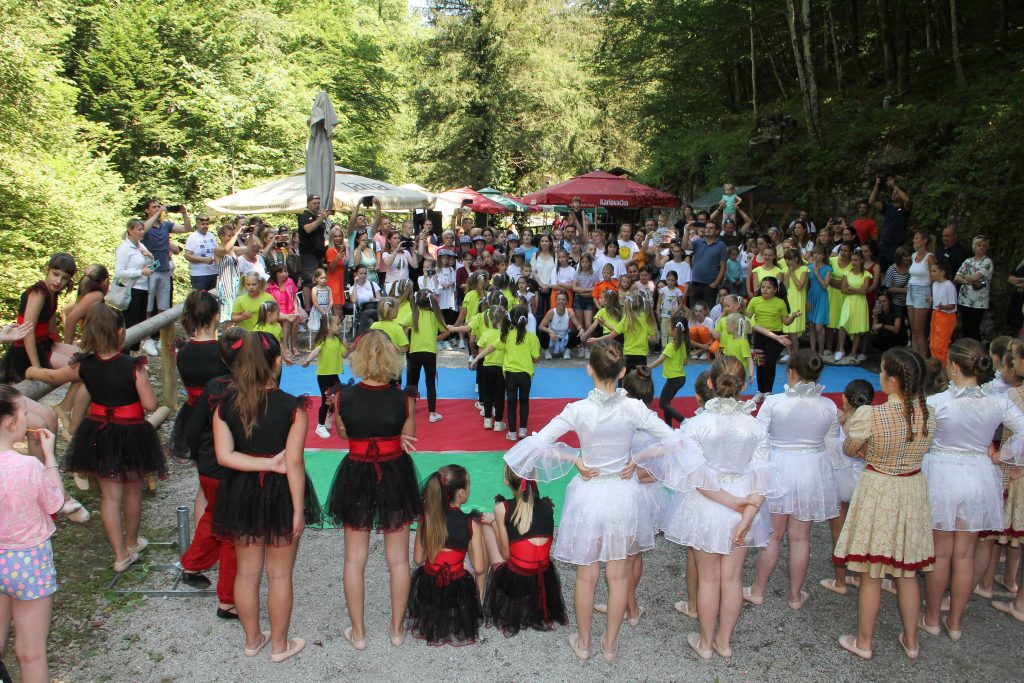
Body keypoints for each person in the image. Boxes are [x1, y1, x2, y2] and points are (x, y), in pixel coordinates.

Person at [504, 340, 695, 661]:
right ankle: (609, 644)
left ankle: (584, 642)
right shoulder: (633, 408)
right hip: (623, 493)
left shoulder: (578, 410)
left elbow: (536, 444)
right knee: (618, 575)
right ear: (622, 371)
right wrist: (640, 458)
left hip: (590, 494)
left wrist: (574, 458)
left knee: (587, 574)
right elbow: (676, 440)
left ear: (589, 369)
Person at [26, 305, 165, 573]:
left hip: (99, 432)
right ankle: (132, 542)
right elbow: (150, 404)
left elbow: (54, 376)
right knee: (132, 489)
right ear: (121, 332)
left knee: (110, 497)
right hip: (131, 432)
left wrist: (32, 372)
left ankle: (119, 555)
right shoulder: (134, 367)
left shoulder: (83, 365)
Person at [661, 356, 779, 659]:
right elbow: (762, 477)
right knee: (733, 577)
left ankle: (705, 642)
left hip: (707, 504)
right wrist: (747, 515)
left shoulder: (696, 425)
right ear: (742, 385)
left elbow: (696, 476)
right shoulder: (755, 426)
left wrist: (736, 504)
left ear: (711, 384)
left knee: (709, 578)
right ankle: (724, 642)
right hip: (743, 504)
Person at [211, 332, 316, 664]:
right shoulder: (293, 408)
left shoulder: (225, 405)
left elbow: (224, 456)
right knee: (280, 574)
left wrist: (260, 463)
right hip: (281, 493)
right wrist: (298, 509)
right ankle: (279, 646)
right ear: (275, 363)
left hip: (241, 493)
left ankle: (253, 639)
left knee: (246, 572)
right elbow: (294, 463)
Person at [832, 347, 935, 660]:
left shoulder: (871, 414)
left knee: (871, 571)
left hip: (879, 486)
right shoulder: (928, 412)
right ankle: (912, 640)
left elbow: (850, 448)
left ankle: (864, 641)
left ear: (891, 380)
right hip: (912, 486)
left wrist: (868, 453)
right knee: (905, 571)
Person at [919, 339, 1024, 641]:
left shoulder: (937, 403)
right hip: (979, 474)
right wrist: (1004, 456)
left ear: (953, 366)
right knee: (964, 555)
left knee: (940, 554)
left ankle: (931, 617)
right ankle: (955, 623)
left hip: (942, 474)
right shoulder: (997, 401)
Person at [325, 330, 422, 650]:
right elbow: (409, 437)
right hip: (395, 472)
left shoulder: (343, 397)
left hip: (357, 472)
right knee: (398, 560)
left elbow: (342, 434)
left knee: (354, 559)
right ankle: (396, 631)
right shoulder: (404, 397)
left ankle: (359, 633)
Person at [746, 350, 841, 610]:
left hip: (778, 469)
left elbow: (757, 439)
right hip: (811, 471)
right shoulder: (829, 406)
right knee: (801, 538)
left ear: (790, 373)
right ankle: (795, 596)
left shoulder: (775, 403)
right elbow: (834, 446)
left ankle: (757, 589)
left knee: (773, 536)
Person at [177, 327, 244, 616]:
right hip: (229, 468)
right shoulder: (245, 390)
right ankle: (227, 600)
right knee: (233, 533)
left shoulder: (213, 386)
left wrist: (197, 456)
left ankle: (191, 564)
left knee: (212, 517)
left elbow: (195, 426)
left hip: (208, 464)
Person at [0, 386, 65, 683]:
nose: (28, 418)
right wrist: (49, 458)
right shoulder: (28, 466)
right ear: (10, 424)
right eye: (24, 413)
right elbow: (55, 502)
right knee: (31, 652)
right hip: (28, 561)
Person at [406, 466, 488, 645]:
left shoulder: (426, 519)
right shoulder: (470, 523)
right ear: (460, 493)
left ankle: (432, 615)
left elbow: (418, 559)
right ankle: (476, 608)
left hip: (429, 585)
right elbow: (480, 568)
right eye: (468, 486)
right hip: (458, 586)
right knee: (472, 566)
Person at [483, 464, 566, 635]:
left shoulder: (502, 509)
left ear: (507, 481)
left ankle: (482, 589)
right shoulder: (547, 507)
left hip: (516, 578)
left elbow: (506, 556)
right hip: (543, 577)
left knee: (486, 526)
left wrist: (494, 522)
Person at [821, 379, 875, 596]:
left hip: (839, 479)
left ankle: (840, 579)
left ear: (844, 398)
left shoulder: (837, 420)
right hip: (863, 479)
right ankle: (861, 575)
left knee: (839, 530)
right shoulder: (873, 422)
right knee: (862, 530)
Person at [172, 292, 227, 462]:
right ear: (217, 316)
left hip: (193, 414)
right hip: (221, 414)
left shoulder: (183, 352)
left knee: (203, 465)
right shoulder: (224, 352)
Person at [991, 338, 1024, 619]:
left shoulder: (1013, 397)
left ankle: (1019, 602)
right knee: (1016, 533)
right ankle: (1010, 579)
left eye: (1015, 359)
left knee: (1006, 526)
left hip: (1014, 469)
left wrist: (1002, 456)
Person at [141, 200, 190, 356]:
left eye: (158, 206)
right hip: (150, 269)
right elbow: (143, 230)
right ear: (147, 210)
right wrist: (157, 213)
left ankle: (163, 338)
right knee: (148, 306)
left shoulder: (166, 225)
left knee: (164, 305)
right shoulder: (144, 225)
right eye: (154, 207)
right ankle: (147, 338)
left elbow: (186, 229)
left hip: (164, 268)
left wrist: (184, 213)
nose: (158, 209)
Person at [490, 305, 540, 441]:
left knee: (511, 403)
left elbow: (493, 347)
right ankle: (523, 430)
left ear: (511, 320)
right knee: (524, 401)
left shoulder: (506, 336)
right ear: (526, 321)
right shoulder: (532, 338)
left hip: (510, 374)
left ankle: (512, 433)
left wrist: (477, 358)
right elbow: (536, 357)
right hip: (525, 374)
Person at [747, 277, 801, 403]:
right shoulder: (754, 301)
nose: (765, 289)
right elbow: (747, 317)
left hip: (776, 337)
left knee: (770, 363)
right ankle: (760, 391)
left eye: (769, 287)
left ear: (775, 290)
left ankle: (768, 392)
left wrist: (792, 317)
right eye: (763, 287)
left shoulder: (780, 303)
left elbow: (786, 322)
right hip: (759, 336)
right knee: (760, 363)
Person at [588, 292, 658, 375]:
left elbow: (611, 335)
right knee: (641, 378)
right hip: (642, 355)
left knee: (623, 379)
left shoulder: (626, 319)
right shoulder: (647, 318)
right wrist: (645, 335)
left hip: (628, 354)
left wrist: (596, 339)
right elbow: (654, 340)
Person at [301, 314, 347, 439]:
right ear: (329, 327)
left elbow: (345, 355)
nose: (340, 326)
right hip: (323, 376)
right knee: (326, 400)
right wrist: (308, 360)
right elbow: (316, 351)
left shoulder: (337, 340)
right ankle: (320, 426)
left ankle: (328, 416)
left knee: (339, 398)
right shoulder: (323, 340)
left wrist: (348, 346)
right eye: (338, 324)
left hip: (334, 375)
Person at [407, 292, 449, 424]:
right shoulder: (434, 316)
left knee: (412, 382)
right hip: (430, 352)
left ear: (417, 302)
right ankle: (432, 413)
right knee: (430, 382)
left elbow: (399, 325)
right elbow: (447, 331)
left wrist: (406, 336)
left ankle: (409, 410)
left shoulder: (413, 314)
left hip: (414, 352)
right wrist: (434, 338)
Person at [113, 221, 155, 353]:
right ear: (130, 231)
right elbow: (119, 272)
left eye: (143, 229)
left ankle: (134, 356)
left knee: (140, 323)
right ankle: (124, 354)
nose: (142, 232)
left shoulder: (141, 246)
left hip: (143, 288)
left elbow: (147, 264)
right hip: (131, 289)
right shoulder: (124, 248)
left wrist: (151, 258)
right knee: (130, 324)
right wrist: (140, 272)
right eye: (139, 229)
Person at [470, 304, 508, 433]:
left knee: (487, 394)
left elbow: (480, 349)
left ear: (492, 319)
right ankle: (498, 422)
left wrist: (477, 358)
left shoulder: (486, 333)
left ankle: (487, 420)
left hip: (487, 367)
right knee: (500, 395)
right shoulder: (506, 334)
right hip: (501, 368)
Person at [648, 312, 688, 427]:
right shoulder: (682, 344)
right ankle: (668, 426)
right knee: (666, 403)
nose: (667, 328)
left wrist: (647, 368)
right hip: (680, 378)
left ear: (675, 330)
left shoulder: (671, 346)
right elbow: (685, 362)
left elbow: (660, 360)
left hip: (674, 379)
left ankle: (683, 421)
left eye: (669, 326)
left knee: (663, 403)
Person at [953, 235, 993, 342]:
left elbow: (977, 277)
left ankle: (978, 351)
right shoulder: (967, 261)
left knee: (974, 328)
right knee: (965, 327)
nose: (981, 248)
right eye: (979, 245)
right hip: (964, 299)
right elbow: (956, 277)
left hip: (978, 301)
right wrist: (970, 280)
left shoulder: (987, 262)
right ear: (974, 246)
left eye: (984, 246)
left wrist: (965, 278)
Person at [868, 176, 911, 272]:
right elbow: (872, 201)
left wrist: (894, 186)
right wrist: (876, 186)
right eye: (893, 192)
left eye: (897, 193)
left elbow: (907, 200)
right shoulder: (887, 207)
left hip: (896, 246)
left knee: (894, 271)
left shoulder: (905, 209)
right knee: (879, 270)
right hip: (883, 244)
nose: (894, 193)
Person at [837, 248, 872, 364]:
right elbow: (843, 289)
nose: (853, 262)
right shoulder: (847, 273)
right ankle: (841, 350)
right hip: (848, 301)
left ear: (861, 261)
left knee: (857, 328)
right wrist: (857, 290)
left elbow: (864, 291)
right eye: (852, 260)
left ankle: (853, 353)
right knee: (842, 324)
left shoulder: (866, 274)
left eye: (855, 260)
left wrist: (851, 288)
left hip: (860, 303)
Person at [297, 194, 331, 313]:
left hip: (319, 254)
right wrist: (320, 219)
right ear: (308, 203)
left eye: (318, 203)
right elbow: (308, 229)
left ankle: (320, 308)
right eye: (314, 203)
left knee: (320, 280)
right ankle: (308, 310)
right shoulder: (304, 216)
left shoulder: (318, 216)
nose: (317, 205)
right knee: (310, 280)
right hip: (308, 254)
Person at [689, 222, 727, 308]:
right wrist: (686, 231)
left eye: (711, 228)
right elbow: (684, 246)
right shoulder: (698, 242)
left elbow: (723, 266)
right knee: (694, 310)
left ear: (717, 231)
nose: (708, 229)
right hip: (695, 283)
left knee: (708, 310)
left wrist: (716, 283)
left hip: (709, 285)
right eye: (706, 227)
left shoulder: (721, 246)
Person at [781, 248, 809, 362]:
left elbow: (800, 286)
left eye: (790, 259)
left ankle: (796, 354)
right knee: (787, 329)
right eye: (786, 259)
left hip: (797, 300)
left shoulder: (804, 269)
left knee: (793, 330)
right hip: (787, 300)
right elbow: (786, 286)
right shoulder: (784, 269)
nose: (788, 262)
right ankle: (789, 353)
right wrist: (788, 272)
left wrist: (792, 272)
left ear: (796, 259)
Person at [538, 291, 583, 361]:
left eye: (563, 299)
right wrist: (550, 331)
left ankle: (567, 350)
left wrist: (581, 329)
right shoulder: (551, 312)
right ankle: (546, 350)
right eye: (558, 299)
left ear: (567, 301)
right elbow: (540, 326)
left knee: (580, 333)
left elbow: (578, 325)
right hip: (552, 338)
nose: (561, 301)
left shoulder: (569, 311)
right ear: (555, 301)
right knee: (541, 332)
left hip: (564, 338)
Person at [806, 245, 833, 357]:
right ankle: (813, 352)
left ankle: (821, 352)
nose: (816, 255)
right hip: (811, 297)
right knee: (811, 326)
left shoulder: (828, 268)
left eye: (818, 253)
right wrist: (806, 300)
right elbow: (807, 286)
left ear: (823, 255)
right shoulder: (809, 267)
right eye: (814, 253)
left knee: (819, 327)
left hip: (821, 298)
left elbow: (825, 286)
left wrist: (817, 274)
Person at [215, 222, 243, 324]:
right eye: (229, 235)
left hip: (236, 285)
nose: (232, 237)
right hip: (226, 286)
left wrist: (252, 234)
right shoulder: (218, 249)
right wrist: (236, 234)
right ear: (222, 236)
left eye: (232, 235)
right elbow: (225, 249)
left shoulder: (234, 249)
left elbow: (250, 249)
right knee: (228, 318)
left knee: (237, 315)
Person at [929, 261, 957, 364]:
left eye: (934, 271)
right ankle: (935, 364)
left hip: (946, 317)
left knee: (941, 344)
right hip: (936, 314)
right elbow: (939, 298)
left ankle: (943, 366)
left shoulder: (949, 285)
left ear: (942, 272)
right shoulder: (935, 284)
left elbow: (952, 305)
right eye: (931, 271)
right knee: (933, 342)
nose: (931, 273)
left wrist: (942, 307)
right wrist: (931, 300)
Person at [184, 214, 219, 291]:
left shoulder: (211, 236)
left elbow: (216, 252)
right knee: (200, 299)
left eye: (207, 224)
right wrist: (203, 260)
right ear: (197, 224)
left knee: (212, 299)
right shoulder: (192, 237)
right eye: (203, 224)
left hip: (213, 272)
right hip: (199, 274)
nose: (205, 226)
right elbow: (187, 256)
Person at [348, 264, 382, 334]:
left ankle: (358, 337)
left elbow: (380, 300)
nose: (363, 276)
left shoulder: (373, 284)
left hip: (375, 309)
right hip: (362, 310)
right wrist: (355, 284)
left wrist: (374, 299)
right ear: (355, 274)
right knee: (367, 317)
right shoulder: (353, 288)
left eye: (365, 274)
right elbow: (354, 300)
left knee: (369, 315)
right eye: (361, 274)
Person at [306, 269, 332, 335]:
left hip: (326, 310)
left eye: (325, 278)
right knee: (316, 330)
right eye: (321, 278)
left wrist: (327, 311)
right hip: (317, 311)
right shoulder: (314, 289)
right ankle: (316, 343)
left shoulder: (328, 288)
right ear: (316, 279)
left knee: (326, 329)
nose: (324, 280)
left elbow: (331, 301)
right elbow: (315, 303)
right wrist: (323, 312)